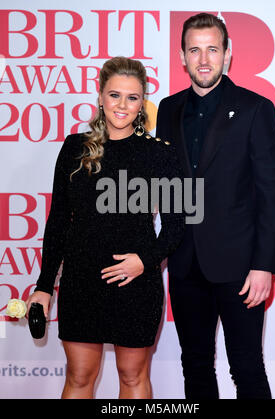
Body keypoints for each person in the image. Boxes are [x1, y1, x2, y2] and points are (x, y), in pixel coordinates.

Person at [26, 56, 185, 399]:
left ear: (143, 102)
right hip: (81, 280)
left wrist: (145, 261)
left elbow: (176, 226)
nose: (122, 105)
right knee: (79, 375)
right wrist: (44, 286)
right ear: (100, 97)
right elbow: (57, 222)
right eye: (114, 95)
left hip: (136, 281)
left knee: (132, 376)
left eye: (132, 97)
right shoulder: (74, 148)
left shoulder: (161, 155)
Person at [156, 13, 275, 399]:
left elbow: (272, 189)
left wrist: (264, 264)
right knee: (194, 366)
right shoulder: (167, 109)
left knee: (246, 368)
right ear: (182, 56)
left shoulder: (254, 108)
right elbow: (165, 186)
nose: (203, 59)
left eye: (212, 49)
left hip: (240, 268)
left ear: (227, 55)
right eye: (194, 50)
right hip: (183, 264)